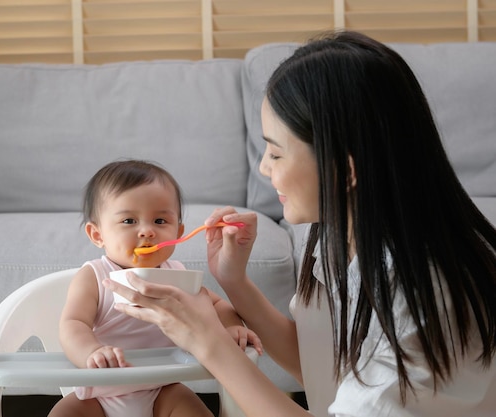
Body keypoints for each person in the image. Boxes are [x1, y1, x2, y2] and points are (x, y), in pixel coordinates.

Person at [104, 31, 496, 417]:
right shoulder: (342, 235)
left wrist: (209, 344)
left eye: (275, 153)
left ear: (344, 168)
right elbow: (323, 366)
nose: (263, 168)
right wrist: (234, 282)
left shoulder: (425, 291)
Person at [48, 159, 262, 417]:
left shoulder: (176, 275)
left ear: (179, 231)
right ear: (97, 235)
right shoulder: (94, 275)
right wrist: (91, 352)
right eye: (129, 221)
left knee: (191, 407)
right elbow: (73, 324)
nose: (147, 231)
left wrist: (231, 327)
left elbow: (215, 305)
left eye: (160, 221)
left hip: (163, 389)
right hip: (101, 394)